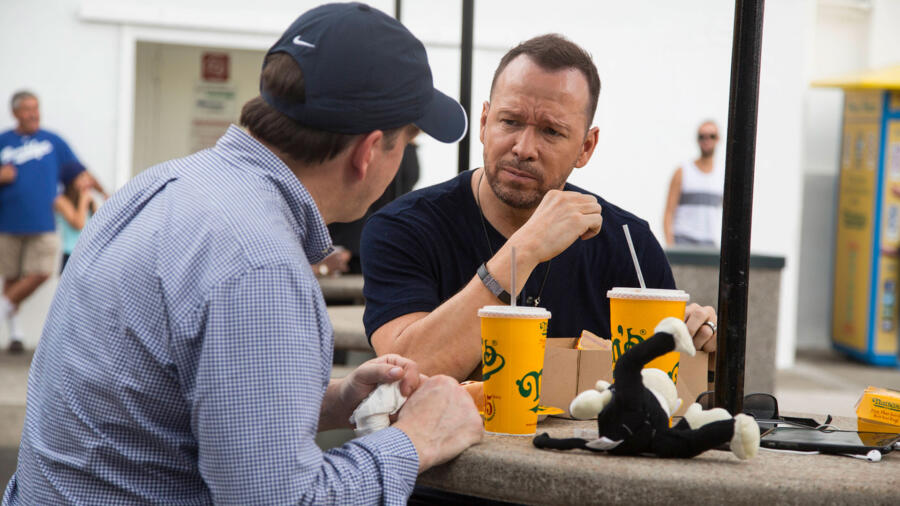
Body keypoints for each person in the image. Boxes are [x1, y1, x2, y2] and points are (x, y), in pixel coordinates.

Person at [3, 4, 482, 504]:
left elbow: (158, 412)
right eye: (407, 142)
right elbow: (280, 500)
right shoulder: (259, 264)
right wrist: (416, 441)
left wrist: (333, 402)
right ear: (368, 152)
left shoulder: (157, 186)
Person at [361, 34, 718, 381]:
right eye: (510, 121)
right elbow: (405, 373)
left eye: (551, 131)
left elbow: (668, 389)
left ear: (586, 147)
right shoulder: (403, 228)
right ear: (484, 123)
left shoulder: (629, 244)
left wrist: (703, 342)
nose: (523, 147)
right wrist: (525, 249)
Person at [0, 90, 81, 354]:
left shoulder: (52, 141)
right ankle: (16, 336)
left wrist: (103, 193)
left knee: (42, 271)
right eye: (26, 108)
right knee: (11, 278)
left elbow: (78, 171)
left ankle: (3, 309)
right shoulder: (4, 141)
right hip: (8, 222)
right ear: (15, 113)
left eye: (36, 107)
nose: (33, 113)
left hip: (44, 222)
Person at [663, 120, 724, 247]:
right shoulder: (683, 171)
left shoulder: (722, 175)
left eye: (711, 136)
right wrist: (671, 246)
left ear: (718, 139)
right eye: (702, 136)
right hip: (683, 240)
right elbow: (668, 212)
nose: (706, 140)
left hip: (709, 244)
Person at [53, 162, 107, 273]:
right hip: (70, 255)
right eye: (82, 177)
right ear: (71, 181)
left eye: (87, 176)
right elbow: (78, 224)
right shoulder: (61, 201)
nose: (87, 180)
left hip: (89, 254)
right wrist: (84, 201)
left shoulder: (88, 200)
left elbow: (98, 225)